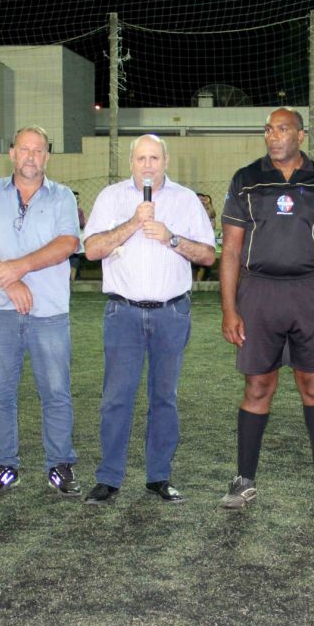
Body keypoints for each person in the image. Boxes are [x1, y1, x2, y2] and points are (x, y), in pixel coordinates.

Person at [219, 107, 314, 509]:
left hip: (311, 294)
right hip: (259, 294)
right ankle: (243, 479)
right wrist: (229, 309)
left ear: (300, 135)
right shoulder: (246, 179)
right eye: (268, 130)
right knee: (258, 386)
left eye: (282, 129)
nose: (273, 136)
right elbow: (230, 250)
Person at [82, 134, 215, 505]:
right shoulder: (111, 197)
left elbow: (207, 254)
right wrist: (132, 224)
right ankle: (109, 478)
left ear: (165, 160)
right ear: (131, 162)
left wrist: (171, 239)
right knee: (115, 399)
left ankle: (158, 476)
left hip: (171, 312)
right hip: (122, 312)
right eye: (141, 158)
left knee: (164, 399)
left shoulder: (186, 200)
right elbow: (91, 249)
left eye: (154, 158)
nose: (147, 165)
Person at [0, 125, 80, 497]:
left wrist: (20, 266)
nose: (31, 156)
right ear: (12, 153)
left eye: (39, 150)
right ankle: (3, 465)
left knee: (56, 392)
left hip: (50, 314)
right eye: (24, 149)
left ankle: (60, 465)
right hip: (0, 311)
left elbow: (67, 243)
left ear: (48, 156)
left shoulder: (62, 197)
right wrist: (10, 282)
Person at [69, 190, 86, 281]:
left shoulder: (79, 211)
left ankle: (73, 279)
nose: (77, 200)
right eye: (75, 198)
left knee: (75, 256)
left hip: (75, 239)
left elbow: (82, 224)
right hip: (68, 239)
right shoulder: (74, 211)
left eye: (78, 199)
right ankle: (72, 279)